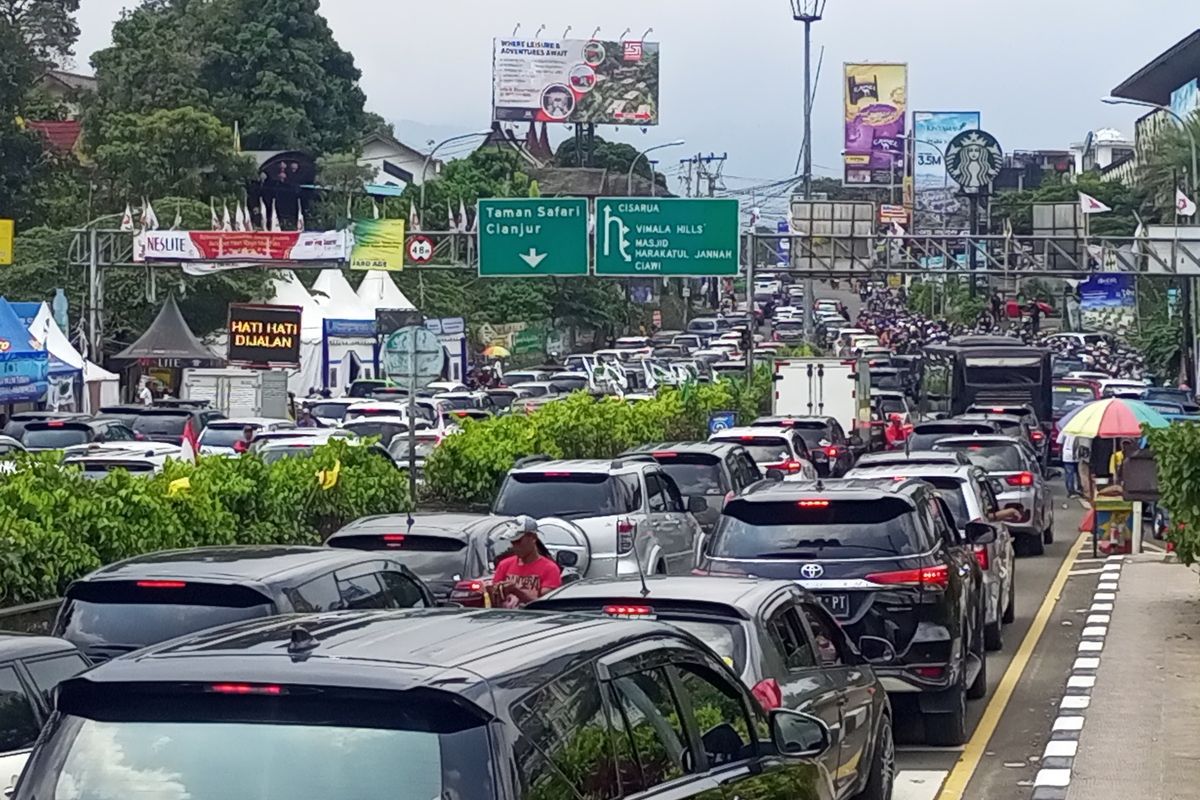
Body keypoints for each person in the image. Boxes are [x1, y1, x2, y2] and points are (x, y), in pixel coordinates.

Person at [490, 516, 562, 608]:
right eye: (513, 542)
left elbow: (544, 604)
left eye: (519, 541)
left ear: (533, 538)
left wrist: (516, 591)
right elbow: (494, 600)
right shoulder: (504, 565)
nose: (515, 547)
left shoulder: (550, 569)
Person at [1060, 431, 1081, 498]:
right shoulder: (1080, 431)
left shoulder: (1065, 430)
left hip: (1067, 454)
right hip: (1077, 455)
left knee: (1069, 474)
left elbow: (1059, 441)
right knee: (1079, 473)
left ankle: (1071, 491)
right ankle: (1079, 489)